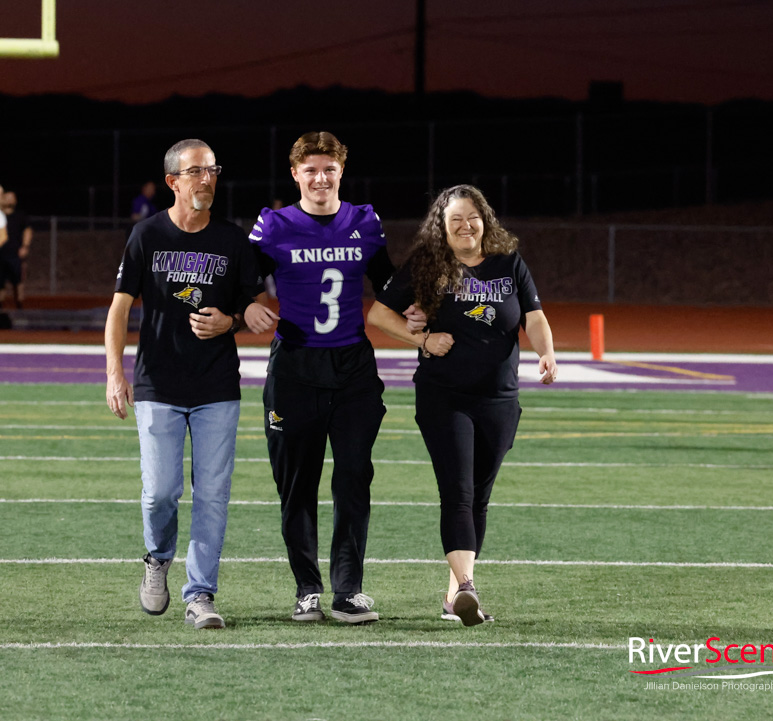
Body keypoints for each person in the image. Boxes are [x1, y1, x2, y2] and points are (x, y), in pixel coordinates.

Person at [245, 131, 423, 624]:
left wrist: (412, 306)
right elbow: (242, 276)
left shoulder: (364, 220)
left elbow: (385, 279)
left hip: (352, 369)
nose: (320, 178)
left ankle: (349, 590)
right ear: (295, 174)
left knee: (353, 478)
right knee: (296, 484)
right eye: (311, 170)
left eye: (329, 169)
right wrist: (246, 305)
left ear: (342, 172)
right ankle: (307, 589)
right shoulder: (274, 224)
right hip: (295, 368)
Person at [368, 184, 558, 626]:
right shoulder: (427, 264)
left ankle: (455, 595)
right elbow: (379, 314)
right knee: (458, 492)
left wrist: (546, 352)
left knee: (479, 499)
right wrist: (423, 339)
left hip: (499, 398)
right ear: (442, 226)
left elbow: (534, 316)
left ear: (485, 220)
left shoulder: (509, 263)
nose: (465, 225)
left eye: (472, 217)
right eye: (455, 219)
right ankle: (469, 586)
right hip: (444, 395)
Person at [105, 139, 266, 630]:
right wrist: (114, 373)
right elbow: (119, 308)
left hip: (217, 385)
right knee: (160, 492)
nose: (207, 179)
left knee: (213, 494)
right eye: (196, 171)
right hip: (158, 383)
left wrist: (232, 321)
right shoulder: (147, 234)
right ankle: (158, 557)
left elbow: (252, 305)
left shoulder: (232, 239)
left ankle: (200, 593)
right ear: (173, 181)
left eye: (212, 170)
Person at [0, 191, 33, 309]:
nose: (10, 200)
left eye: (12, 198)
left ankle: (19, 304)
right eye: (7, 197)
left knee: (18, 281)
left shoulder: (20, 216)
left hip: (15, 253)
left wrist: (25, 246)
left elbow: (27, 230)